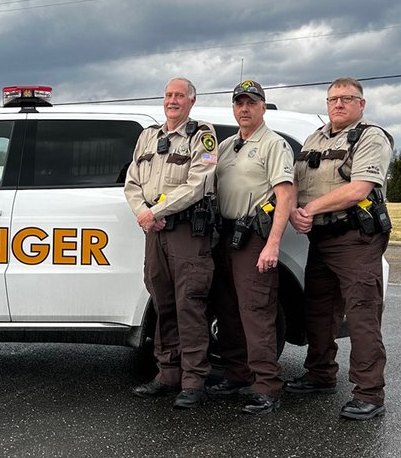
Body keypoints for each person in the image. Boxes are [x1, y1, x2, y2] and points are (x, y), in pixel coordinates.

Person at [288, 77, 393, 420]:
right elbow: (296, 183)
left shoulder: (370, 137)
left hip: (356, 240)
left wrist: (310, 210)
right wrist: (293, 212)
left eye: (347, 98)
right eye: (333, 99)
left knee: (362, 314)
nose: (338, 104)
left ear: (361, 104)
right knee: (318, 309)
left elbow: (358, 189)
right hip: (321, 238)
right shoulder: (314, 138)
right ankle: (320, 375)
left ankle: (369, 394)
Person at [123, 77, 219, 409]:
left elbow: (199, 182)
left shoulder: (201, 137)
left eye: (179, 95)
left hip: (187, 232)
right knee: (162, 302)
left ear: (192, 101)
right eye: (168, 95)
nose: (172, 100)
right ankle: (167, 374)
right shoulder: (149, 136)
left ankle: (193, 381)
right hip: (155, 232)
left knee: (188, 303)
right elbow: (132, 181)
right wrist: (144, 213)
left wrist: (158, 211)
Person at [208, 80, 296, 416]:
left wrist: (272, 245)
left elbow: (285, 195)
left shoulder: (274, 145)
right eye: (239, 103)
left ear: (262, 106)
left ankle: (267, 387)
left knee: (256, 313)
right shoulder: (228, 145)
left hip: (253, 239)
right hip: (225, 236)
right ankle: (237, 374)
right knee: (227, 309)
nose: (244, 109)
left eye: (251, 103)